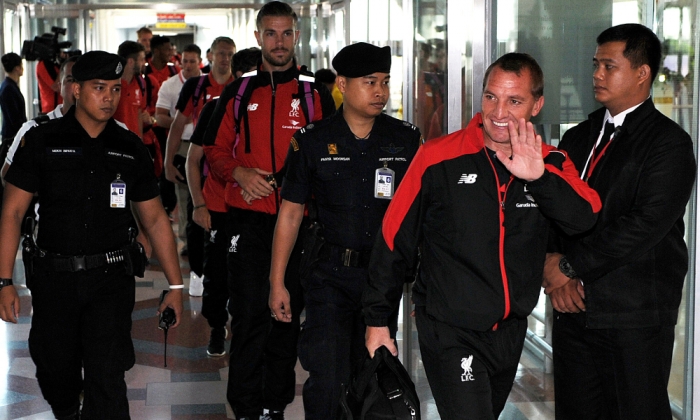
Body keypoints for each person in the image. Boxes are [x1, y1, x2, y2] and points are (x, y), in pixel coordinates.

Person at [362, 53, 602, 420]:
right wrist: (378, 320)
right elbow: (395, 238)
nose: (498, 111)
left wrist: (538, 178)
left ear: (537, 105)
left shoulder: (550, 162)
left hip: (509, 331)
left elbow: (584, 217)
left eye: (514, 101)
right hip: (450, 328)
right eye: (491, 97)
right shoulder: (438, 158)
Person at [0, 50, 184, 420]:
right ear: (76, 89)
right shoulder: (41, 140)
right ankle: (67, 409)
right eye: (99, 88)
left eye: (115, 89)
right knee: (55, 371)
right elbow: (12, 211)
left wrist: (177, 288)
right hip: (54, 279)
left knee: (107, 379)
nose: (109, 98)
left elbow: (154, 219)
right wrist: (5, 280)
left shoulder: (129, 146)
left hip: (110, 280)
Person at [542, 24, 696, 420]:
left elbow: (643, 226)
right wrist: (551, 263)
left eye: (608, 66)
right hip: (573, 309)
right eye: (595, 65)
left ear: (642, 73)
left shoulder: (669, 143)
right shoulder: (578, 136)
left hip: (633, 316)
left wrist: (570, 267)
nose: (596, 74)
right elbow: (553, 208)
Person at [270, 42, 422, 420]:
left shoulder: (404, 139)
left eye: (385, 82)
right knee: (328, 376)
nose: (380, 92)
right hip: (328, 276)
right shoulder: (312, 140)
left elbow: (422, 217)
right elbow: (289, 214)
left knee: (371, 374)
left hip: (383, 280)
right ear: (341, 83)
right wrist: (277, 282)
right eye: (369, 82)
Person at [203, 2, 335, 418]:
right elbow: (214, 151)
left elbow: (332, 153)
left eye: (286, 33)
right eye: (271, 34)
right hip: (248, 219)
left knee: (286, 316)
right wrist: (239, 173)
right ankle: (244, 406)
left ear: (297, 37)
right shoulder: (239, 92)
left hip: (298, 224)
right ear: (258, 37)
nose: (279, 42)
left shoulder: (316, 94)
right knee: (247, 314)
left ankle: (274, 406)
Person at [184, 47, 261, 358]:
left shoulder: (274, 110)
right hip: (220, 208)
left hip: (258, 209)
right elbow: (193, 160)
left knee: (252, 272)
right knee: (218, 271)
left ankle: (250, 329)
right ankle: (217, 326)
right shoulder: (216, 108)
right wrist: (198, 205)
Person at [165, 37, 235, 297]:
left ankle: (222, 268)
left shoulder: (237, 86)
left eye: (230, 54)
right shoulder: (197, 86)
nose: (225, 59)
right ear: (211, 56)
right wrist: (168, 160)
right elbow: (178, 123)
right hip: (197, 155)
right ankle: (197, 270)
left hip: (227, 161)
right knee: (194, 212)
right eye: (221, 53)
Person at [2, 55, 79, 181]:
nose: (77, 87)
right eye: (71, 80)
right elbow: (7, 175)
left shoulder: (113, 129)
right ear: (60, 86)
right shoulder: (33, 129)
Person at [114, 41, 148, 139]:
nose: (144, 63)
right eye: (141, 59)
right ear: (131, 62)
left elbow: (139, 115)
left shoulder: (141, 83)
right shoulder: (112, 84)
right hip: (115, 144)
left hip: (134, 145)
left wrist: (140, 145)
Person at [0, 53, 27, 157]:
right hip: (12, 137)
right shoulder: (8, 88)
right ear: (17, 68)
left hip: (13, 135)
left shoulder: (9, 86)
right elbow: (14, 117)